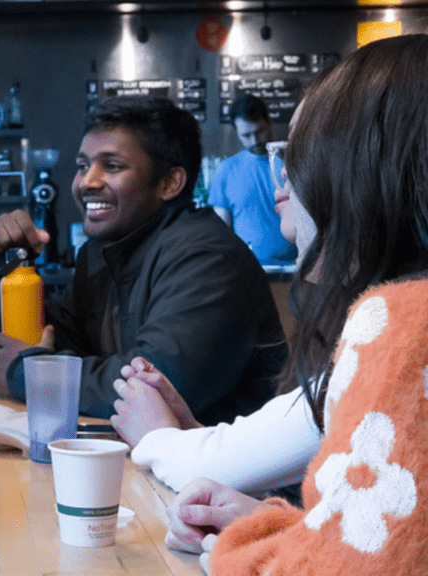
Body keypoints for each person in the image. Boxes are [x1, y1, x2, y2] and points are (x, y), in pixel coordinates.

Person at [163, 34, 428, 575]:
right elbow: (399, 542)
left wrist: (238, 550)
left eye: (298, 153)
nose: (281, 177)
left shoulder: (403, 322)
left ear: (357, 172)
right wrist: (275, 522)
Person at [0, 96, 285, 424]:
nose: (87, 182)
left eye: (111, 166)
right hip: (144, 462)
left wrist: (33, 373)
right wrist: (12, 262)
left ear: (169, 183)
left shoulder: (208, 259)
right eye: (83, 166)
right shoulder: (100, 253)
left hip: (221, 472)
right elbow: (31, 341)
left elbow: (157, 389)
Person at [109, 97, 320, 498]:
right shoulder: (365, 317)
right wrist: (193, 437)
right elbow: (314, 468)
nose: (281, 172)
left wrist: (163, 439)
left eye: (300, 149)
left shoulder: (392, 329)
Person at [208, 94, 297, 267]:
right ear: (236, 132)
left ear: (268, 122)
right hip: (247, 269)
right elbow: (221, 231)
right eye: (246, 135)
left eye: (259, 131)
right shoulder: (227, 170)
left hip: (296, 266)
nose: (254, 141)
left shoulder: (292, 162)